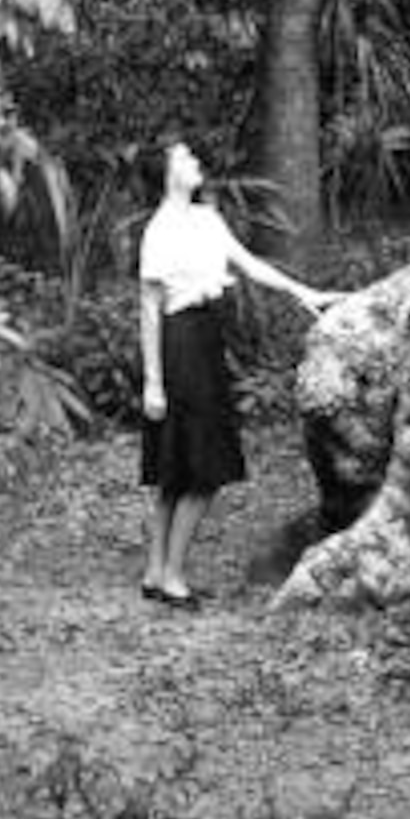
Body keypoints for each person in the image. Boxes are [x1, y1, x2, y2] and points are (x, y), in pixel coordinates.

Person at [138, 140, 335, 606]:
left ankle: (157, 571)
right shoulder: (158, 230)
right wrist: (153, 381)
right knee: (195, 468)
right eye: (184, 158)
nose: (194, 162)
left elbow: (249, 265)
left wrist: (304, 293)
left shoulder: (207, 219)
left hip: (207, 337)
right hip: (179, 341)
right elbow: (148, 310)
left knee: (187, 466)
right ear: (166, 172)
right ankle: (169, 576)